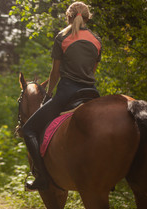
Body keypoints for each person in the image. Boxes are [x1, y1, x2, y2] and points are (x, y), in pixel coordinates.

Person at [23, 2, 102, 191]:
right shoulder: (97, 40)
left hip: (67, 92)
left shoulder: (62, 37)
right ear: (87, 18)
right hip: (92, 92)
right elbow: (92, 71)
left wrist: (48, 95)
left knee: (28, 130)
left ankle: (41, 177)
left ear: (68, 17)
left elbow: (55, 73)